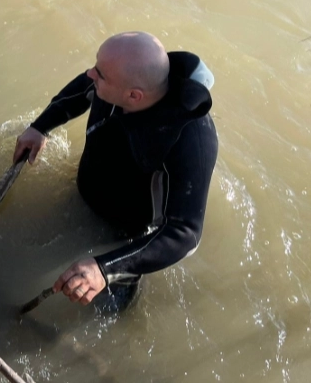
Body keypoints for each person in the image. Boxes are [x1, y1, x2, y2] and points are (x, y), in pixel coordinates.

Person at [13, 31, 217, 310]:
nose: (90, 74)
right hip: (91, 189)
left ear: (133, 95)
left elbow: (185, 234)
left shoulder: (191, 141)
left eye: (100, 74)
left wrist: (105, 269)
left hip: (127, 235)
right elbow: (85, 85)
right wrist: (41, 127)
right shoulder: (117, 81)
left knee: (103, 314)